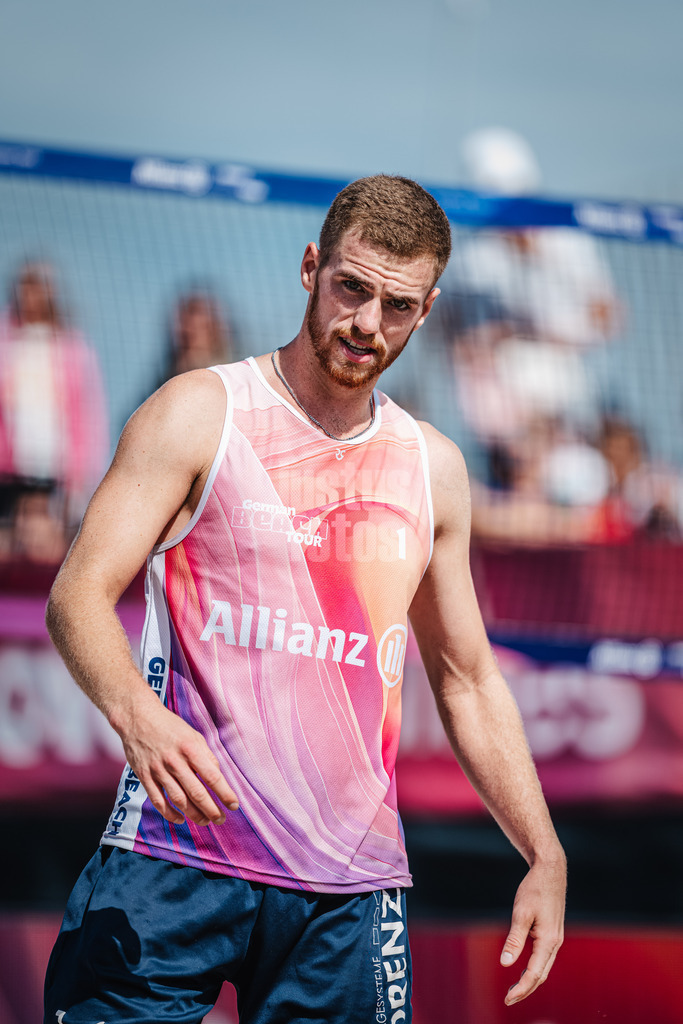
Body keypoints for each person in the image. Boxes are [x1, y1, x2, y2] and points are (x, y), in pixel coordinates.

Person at [43, 176, 566, 1024]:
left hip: (346, 894)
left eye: (396, 305)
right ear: (310, 268)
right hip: (175, 856)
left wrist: (542, 852)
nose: (366, 324)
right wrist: (138, 717)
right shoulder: (200, 414)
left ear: (426, 311)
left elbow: (466, 679)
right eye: (351, 289)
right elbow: (77, 594)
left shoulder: (430, 466)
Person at [0, 261, 109, 558]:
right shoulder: (6, 339)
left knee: (48, 547)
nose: (30, 296)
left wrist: (83, 473)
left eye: (36, 288)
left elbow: (89, 414)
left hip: (55, 467)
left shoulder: (72, 346)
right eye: (25, 287)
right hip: (9, 468)